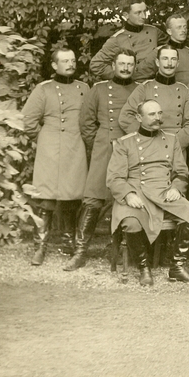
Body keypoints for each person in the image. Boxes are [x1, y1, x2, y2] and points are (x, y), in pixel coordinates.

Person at [107, 99, 189, 285]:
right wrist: (128, 195)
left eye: (159, 113)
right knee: (132, 223)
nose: (157, 118)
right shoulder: (125, 143)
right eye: (151, 114)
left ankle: (177, 267)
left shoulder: (172, 140)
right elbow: (114, 177)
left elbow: (181, 172)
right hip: (137, 191)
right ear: (138, 117)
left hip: (164, 191)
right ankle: (144, 268)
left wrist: (176, 187)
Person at [69, 49, 137, 272]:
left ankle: (116, 251)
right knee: (93, 199)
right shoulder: (98, 89)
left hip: (132, 150)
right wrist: (100, 144)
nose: (126, 68)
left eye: (130, 64)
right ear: (113, 65)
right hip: (103, 148)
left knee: (124, 198)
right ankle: (80, 252)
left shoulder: (140, 90)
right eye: (122, 64)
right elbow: (86, 124)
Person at [22, 47, 89, 266]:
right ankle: (40, 246)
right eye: (65, 61)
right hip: (49, 147)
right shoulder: (44, 89)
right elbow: (28, 120)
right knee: (45, 198)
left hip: (75, 147)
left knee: (72, 197)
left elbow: (90, 119)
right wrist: (43, 138)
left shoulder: (83, 88)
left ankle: (70, 242)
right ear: (54, 65)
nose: (70, 64)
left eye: (73, 60)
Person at [119, 46, 189, 146]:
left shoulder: (185, 91)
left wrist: (174, 143)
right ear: (157, 62)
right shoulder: (144, 88)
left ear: (177, 63)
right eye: (165, 59)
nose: (169, 64)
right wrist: (145, 137)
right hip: (148, 146)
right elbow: (125, 117)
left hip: (176, 147)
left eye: (173, 59)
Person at [89, 0, 162, 81]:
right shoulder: (117, 39)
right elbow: (96, 64)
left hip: (154, 83)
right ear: (126, 15)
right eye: (138, 13)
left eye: (144, 11)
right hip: (132, 85)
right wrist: (122, 75)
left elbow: (172, 43)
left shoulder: (154, 31)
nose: (143, 16)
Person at [162, 12, 189, 86]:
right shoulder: (159, 52)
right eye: (179, 27)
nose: (183, 30)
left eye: (185, 27)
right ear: (169, 31)